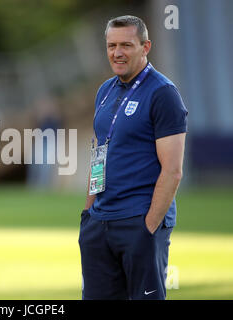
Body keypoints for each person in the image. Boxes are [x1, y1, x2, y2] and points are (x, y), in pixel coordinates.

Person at [78, 15, 188, 300]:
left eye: (126, 45)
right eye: (111, 45)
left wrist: (148, 226)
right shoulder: (105, 90)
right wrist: (88, 214)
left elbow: (173, 170)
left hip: (138, 222)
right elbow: (98, 154)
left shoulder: (163, 93)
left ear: (145, 46)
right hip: (100, 223)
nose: (117, 53)